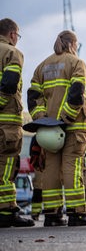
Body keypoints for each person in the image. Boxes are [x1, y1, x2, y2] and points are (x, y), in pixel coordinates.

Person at [27, 30, 86, 227]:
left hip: (49, 129)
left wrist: (42, 118)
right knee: (72, 168)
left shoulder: (42, 66)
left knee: (51, 171)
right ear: (73, 44)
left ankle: (52, 214)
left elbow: (33, 97)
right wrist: (65, 117)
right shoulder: (77, 63)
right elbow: (77, 92)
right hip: (74, 126)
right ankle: (77, 213)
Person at [0, 18, 34, 228]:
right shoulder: (12, 53)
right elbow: (10, 83)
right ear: (13, 34)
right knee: (6, 168)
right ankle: (6, 211)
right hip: (6, 124)